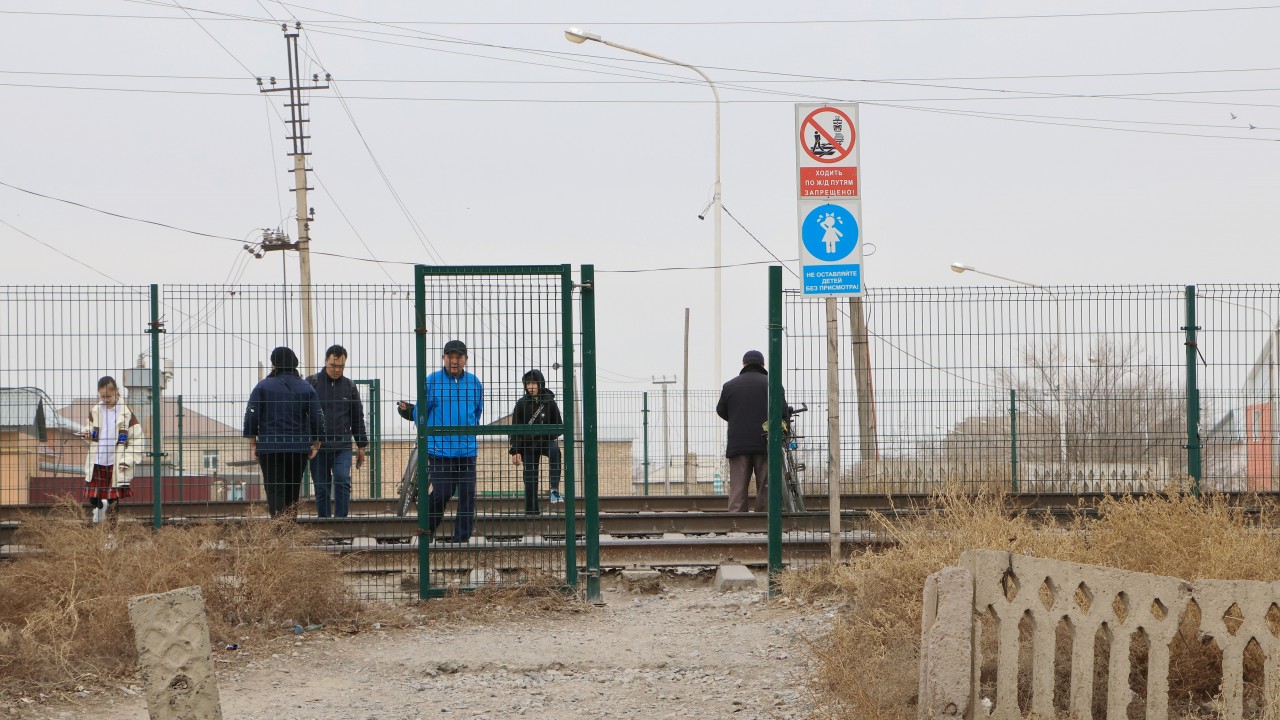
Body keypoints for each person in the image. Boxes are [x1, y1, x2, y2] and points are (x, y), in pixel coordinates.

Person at [397, 339, 483, 543]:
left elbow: (477, 413)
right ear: (443, 358)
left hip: (467, 451)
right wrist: (425, 436)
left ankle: (461, 540)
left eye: (459, 357)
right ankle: (426, 531)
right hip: (440, 450)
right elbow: (420, 412)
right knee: (441, 493)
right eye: (450, 356)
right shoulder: (433, 380)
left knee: (467, 495)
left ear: (466, 360)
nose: (454, 361)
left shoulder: (474, 382)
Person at [244, 346, 323, 519]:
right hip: (297, 448)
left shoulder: (263, 386)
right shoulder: (306, 388)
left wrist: (253, 443)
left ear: (274, 363)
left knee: (274, 490)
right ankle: (290, 527)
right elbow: (317, 417)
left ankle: (278, 529)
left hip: (270, 448)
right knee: (292, 489)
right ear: (294, 363)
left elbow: (251, 416)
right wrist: (316, 443)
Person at [715, 350, 787, 512]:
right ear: (762, 365)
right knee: (766, 484)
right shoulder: (773, 384)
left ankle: (737, 521)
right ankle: (764, 519)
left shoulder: (729, 386)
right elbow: (783, 412)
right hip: (766, 442)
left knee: (738, 485)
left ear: (744, 364)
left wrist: (736, 420)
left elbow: (721, 410)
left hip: (738, 443)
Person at [306, 344, 369, 518]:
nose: (337, 370)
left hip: (342, 446)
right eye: (333, 365)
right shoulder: (312, 384)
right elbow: (302, 415)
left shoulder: (349, 386)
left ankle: (341, 522)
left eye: (341, 366)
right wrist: (308, 442)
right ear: (326, 361)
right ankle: (325, 524)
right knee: (321, 488)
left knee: (342, 480)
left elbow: (357, 417)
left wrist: (362, 445)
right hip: (317, 447)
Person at [78, 376, 144, 523]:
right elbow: (92, 431)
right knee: (93, 498)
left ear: (117, 392)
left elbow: (137, 440)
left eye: (109, 396)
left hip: (116, 462)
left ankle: (112, 533)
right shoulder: (96, 411)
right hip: (97, 460)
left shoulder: (127, 414)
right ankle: (100, 513)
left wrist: (128, 460)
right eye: (102, 396)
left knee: (114, 500)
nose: (105, 399)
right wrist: (86, 432)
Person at [508, 369, 563, 515]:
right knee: (530, 476)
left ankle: (554, 489)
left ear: (540, 383)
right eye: (528, 384)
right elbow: (515, 429)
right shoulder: (521, 404)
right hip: (528, 445)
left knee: (555, 451)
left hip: (545, 441)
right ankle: (531, 511)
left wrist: (545, 434)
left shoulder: (550, 403)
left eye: (533, 383)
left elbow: (559, 425)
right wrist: (515, 451)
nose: (531, 387)